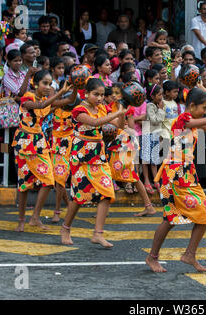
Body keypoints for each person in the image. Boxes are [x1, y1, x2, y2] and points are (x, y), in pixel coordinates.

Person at [145, 88, 206, 273]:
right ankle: (155, 257)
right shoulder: (183, 119)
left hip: (185, 174)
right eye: (203, 107)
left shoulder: (193, 124)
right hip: (175, 174)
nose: (205, 111)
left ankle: (188, 254)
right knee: (173, 218)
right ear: (192, 106)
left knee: (199, 216)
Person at [60, 78, 128, 247]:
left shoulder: (102, 109)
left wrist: (122, 111)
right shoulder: (78, 110)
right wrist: (116, 113)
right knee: (79, 196)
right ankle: (65, 228)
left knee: (107, 192)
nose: (99, 98)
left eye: (102, 95)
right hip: (81, 156)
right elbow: (95, 123)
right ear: (86, 94)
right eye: (96, 94)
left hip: (99, 155)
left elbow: (118, 125)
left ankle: (98, 233)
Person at [11, 71, 75, 232]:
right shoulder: (28, 97)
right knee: (23, 184)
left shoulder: (47, 101)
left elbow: (70, 101)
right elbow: (40, 106)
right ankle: (21, 220)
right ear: (35, 84)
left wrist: (75, 88)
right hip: (24, 143)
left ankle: (35, 217)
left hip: (39, 143)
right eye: (44, 83)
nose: (47, 87)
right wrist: (59, 92)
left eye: (49, 84)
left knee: (48, 180)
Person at [105, 93, 157, 217]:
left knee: (115, 174)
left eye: (117, 93)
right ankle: (148, 206)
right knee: (116, 175)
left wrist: (122, 117)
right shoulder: (109, 108)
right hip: (117, 143)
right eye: (112, 93)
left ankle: (104, 209)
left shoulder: (127, 109)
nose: (113, 96)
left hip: (124, 144)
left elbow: (130, 127)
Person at [50, 85, 79, 223]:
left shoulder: (75, 111)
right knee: (59, 179)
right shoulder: (54, 108)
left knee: (60, 179)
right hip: (56, 145)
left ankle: (57, 211)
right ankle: (68, 206)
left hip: (69, 144)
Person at [142, 84, 165, 194]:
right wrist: (161, 110)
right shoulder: (150, 106)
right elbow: (154, 120)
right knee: (146, 159)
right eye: (159, 94)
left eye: (162, 94)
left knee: (154, 160)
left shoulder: (156, 106)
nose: (161, 97)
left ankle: (156, 180)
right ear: (152, 96)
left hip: (155, 135)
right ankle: (147, 180)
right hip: (148, 133)